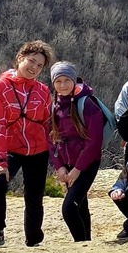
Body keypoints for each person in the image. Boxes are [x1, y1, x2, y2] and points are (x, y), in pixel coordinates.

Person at [0, 40, 54, 247]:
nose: (34, 68)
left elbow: (48, 124)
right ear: (20, 58)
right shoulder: (0, 87)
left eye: (40, 65)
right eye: (31, 61)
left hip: (38, 150)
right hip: (10, 149)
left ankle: (33, 240)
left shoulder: (42, 91)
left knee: (34, 197)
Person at [48, 60, 107, 243]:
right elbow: (51, 139)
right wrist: (59, 167)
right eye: (58, 81)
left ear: (74, 81)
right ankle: (86, 243)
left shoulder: (87, 104)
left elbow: (94, 141)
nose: (63, 85)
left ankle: (80, 244)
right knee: (80, 206)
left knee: (69, 209)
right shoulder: (54, 105)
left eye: (67, 80)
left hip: (87, 164)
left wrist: (77, 169)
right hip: (67, 163)